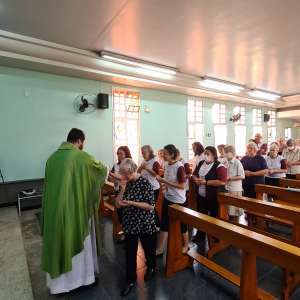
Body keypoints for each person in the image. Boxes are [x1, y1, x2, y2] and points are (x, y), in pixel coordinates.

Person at [41, 128, 107, 294]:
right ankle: (82, 280)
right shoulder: (81, 157)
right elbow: (101, 170)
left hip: (54, 212)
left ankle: (58, 287)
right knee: (79, 242)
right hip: (76, 210)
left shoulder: (52, 158)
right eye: (82, 142)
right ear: (79, 140)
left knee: (58, 243)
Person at [115, 158, 157, 297]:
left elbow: (150, 206)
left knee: (148, 249)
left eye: (125, 173)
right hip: (130, 223)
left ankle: (151, 267)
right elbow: (117, 204)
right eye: (122, 173)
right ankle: (130, 280)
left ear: (132, 171)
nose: (123, 176)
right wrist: (122, 189)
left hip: (145, 222)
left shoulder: (145, 182)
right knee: (130, 252)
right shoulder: (126, 183)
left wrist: (132, 202)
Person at [156, 144, 189, 255]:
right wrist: (164, 190)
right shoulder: (167, 164)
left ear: (172, 154)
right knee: (164, 223)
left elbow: (182, 186)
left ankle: (186, 245)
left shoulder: (179, 166)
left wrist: (164, 182)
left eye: (165, 153)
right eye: (163, 153)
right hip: (168, 197)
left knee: (182, 225)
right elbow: (166, 180)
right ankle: (160, 249)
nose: (163, 155)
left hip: (178, 200)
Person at [192, 146, 227, 241]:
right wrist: (196, 179)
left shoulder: (219, 166)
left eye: (208, 154)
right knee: (201, 216)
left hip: (213, 196)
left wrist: (206, 182)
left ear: (214, 155)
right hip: (201, 195)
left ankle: (215, 236)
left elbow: (222, 181)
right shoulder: (201, 163)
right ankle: (201, 235)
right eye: (205, 153)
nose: (205, 155)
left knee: (214, 217)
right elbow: (194, 174)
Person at [138, 145, 161, 227]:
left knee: (151, 207)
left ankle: (157, 224)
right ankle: (149, 223)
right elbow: (138, 172)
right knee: (146, 206)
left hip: (153, 188)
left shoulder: (155, 161)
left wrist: (147, 168)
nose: (143, 155)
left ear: (150, 152)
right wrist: (141, 167)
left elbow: (156, 174)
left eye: (144, 153)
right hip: (144, 187)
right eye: (142, 153)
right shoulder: (144, 161)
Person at [224, 145, 245, 218]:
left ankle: (236, 226)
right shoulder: (226, 162)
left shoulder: (237, 162)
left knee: (235, 211)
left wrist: (230, 178)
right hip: (228, 187)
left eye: (227, 152)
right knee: (229, 209)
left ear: (232, 153)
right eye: (225, 152)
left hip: (235, 189)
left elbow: (242, 176)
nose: (225, 154)